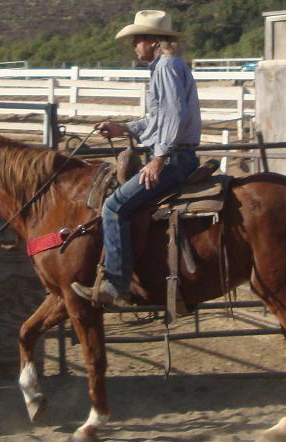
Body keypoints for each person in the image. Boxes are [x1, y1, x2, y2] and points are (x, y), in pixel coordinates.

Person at [71, 10, 201, 306]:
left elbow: (173, 117)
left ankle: (117, 284)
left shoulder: (166, 67)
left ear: (154, 41)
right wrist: (123, 128)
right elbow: (157, 119)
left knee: (114, 207)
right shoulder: (166, 66)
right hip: (177, 155)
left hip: (174, 159)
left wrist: (159, 158)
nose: (134, 46)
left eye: (138, 39)